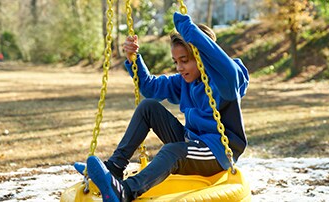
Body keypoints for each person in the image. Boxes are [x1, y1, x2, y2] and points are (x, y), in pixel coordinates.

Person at [78, 12, 249, 202]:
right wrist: (134, 59)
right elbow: (150, 88)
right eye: (176, 62)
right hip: (192, 142)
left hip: (217, 152)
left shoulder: (224, 81)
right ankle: (115, 169)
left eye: (185, 61)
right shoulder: (185, 81)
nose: (179, 68)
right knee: (148, 107)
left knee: (172, 151)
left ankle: (125, 191)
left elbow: (231, 76)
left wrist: (189, 30)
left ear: (203, 57)